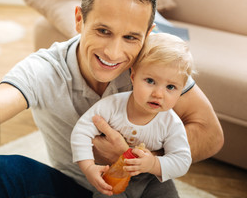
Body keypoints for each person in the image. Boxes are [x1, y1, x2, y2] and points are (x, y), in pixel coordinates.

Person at [0, 0, 223, 198]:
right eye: (102, 31)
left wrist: (139, 160)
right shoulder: (47, 68)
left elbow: (210, 133)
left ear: (148, 36)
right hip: (78, 189)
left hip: (145, 192)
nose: (114, 53)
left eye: (130, 38)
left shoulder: (156, 65)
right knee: (1, 169)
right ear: (79, 20)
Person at [71, 33, 194, 197]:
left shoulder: (171, 124)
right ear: (134, 77)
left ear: (181, 90)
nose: (158, 94)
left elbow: (182, 161)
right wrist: (88, 166)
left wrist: (153, 164)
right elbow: (81, 131)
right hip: (112, 173)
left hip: (151, 179)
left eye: (170, 87)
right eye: (150, 81)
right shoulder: (113, 105)